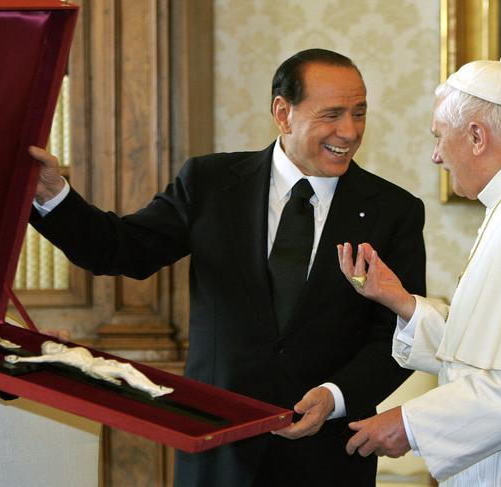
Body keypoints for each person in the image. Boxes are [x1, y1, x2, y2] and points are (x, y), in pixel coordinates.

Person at [27, 48, 426, 486]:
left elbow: (398, 334)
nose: (348, 131)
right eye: (332, 115)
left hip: (327, 458)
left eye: (359, 113)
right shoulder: (211, 183)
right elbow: (122, 250)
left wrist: (336, 397)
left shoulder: (394, 211)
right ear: (282, 112)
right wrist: (54, 197)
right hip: (217, 453)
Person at [338, 58, 501, 486]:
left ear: (477, 136)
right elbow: (494, 349)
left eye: (440, 137)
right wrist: (401, 301)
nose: (436, 155)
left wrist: (410, 423)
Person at [4, 341, 174, 398]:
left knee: (128, 367)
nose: (55, 347)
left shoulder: (72, 349)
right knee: (123, 373)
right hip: (93, 368)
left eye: (54, 344)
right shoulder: (60, 357)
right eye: (51, 347)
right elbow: (42, 359)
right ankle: (153, 390)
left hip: (100, 361)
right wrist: (20, 358)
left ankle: (154, 387)